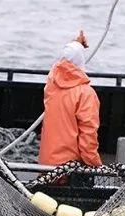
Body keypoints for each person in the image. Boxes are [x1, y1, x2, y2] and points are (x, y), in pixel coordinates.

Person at [38, 31, 103, 170]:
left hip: (46, 167)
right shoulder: (86, 94)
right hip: (71, 170)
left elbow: (63, 62)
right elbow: (88, 137)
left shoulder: (51, 86)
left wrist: (76, 44)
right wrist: (96, 166)